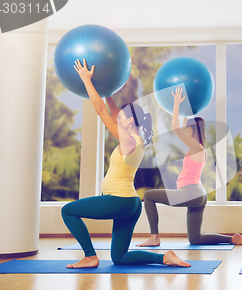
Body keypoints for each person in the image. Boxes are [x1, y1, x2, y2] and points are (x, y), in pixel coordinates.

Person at [61, 59, 190, 269]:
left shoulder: (129, 141)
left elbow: (102, 112)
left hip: (119, 201)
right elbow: (110, 112)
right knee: (119, 257)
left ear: (130, 121)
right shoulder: (135, 140)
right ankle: (164, 257)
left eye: (121, 116)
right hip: (131, 204)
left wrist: (87, 81)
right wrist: (107, 91)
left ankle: (89, 256)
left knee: (68, 211)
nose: (117, 117)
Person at [136, 86, 242, 247]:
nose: (185, 130)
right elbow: (183, 126)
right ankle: (233, 239)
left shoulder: (196, 147)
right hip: (198, 195)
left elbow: (177, 128)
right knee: (195, 239)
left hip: (190, 193)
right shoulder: (197, 148)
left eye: (187, 128)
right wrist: (186, 112)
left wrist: (176, 103)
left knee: (149, 196)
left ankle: (154, 237)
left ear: (193, 129)